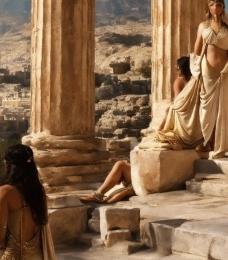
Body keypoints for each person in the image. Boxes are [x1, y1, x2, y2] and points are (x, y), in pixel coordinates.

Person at [81, 56, 194, 202]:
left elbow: (177, 106)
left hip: (167, 145)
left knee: (121, 164)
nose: (175, 70)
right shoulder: (193, 98)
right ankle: (125, 190)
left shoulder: (178, 90)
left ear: (183, 69)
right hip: (179, 141)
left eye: (177, 67)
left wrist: (159, 128)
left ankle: (109, 192)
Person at [193, 0, 228, 158]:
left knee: (224, 110)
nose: (215, 7)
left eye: (218, 5)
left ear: (223, 8)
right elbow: (198, 50)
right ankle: (205, 141)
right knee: (206, 109)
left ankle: (220, 146)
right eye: (212, 5)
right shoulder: (203, 26)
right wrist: (196, 72)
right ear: (209, 8)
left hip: (226, 71)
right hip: (208, 71)